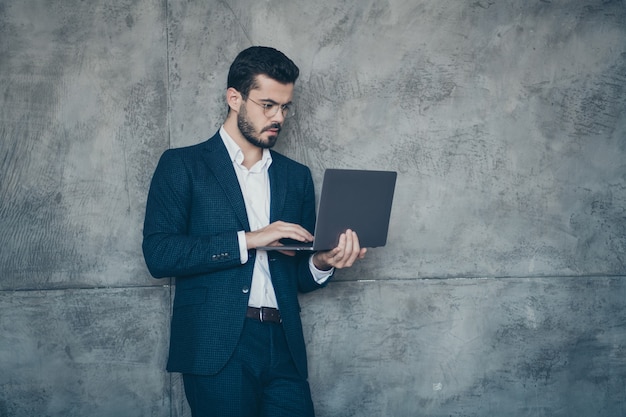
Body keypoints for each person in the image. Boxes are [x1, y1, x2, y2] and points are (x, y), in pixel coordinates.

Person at [142, 46, 366, 417]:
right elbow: (159, 254)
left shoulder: (295, 177)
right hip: (217, 345)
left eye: (285, 107)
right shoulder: (183, 165)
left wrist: (324, 262)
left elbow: (297, 273)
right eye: (267, 105)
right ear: (234, 98)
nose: (278, 117)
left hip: (283, 345)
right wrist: (250, 239)